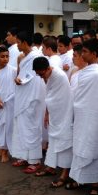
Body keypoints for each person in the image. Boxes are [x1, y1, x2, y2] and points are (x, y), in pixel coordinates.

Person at [67, 38, 98, 195]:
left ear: (94, 54)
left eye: (85, 52)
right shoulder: (85, 71)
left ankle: (95, 185)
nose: (82, 55)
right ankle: (80, 179)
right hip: (81, 115)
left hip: (92, 117)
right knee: (80, 146)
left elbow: (96, 98)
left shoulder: (96, 73)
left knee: (91, 148)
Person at [33, 56, 74, 186]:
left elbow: (61, 98)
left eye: (42, 73)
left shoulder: (59, 76)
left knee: (64, 141)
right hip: (55, 115)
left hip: (64, 115)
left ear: (48, 68)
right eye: (38, 75)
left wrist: (49, 108)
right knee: (53, 140)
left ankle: (65, 174)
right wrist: (47, 113)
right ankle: (51, 167)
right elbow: (49, 97)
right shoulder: (48, 76)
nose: (41, 77)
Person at [11, 32, 46, 173]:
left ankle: (35, 160)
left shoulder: (36, 57)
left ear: (25, 42)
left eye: (18, 42)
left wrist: (21, 80)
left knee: (31, 128)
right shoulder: (23, 57)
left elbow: (35, 77)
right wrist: (20, 80)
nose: (17, 45)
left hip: (32, 99)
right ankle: (23, 156)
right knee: (21, 128)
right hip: (22, 97)